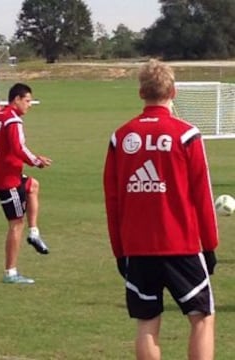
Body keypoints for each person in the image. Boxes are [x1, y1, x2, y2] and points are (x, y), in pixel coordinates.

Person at [103, 59, 218, 360]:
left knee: (147, 322)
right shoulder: (186, 135)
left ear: (141, 93)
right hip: (181, 245)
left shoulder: (120, 137)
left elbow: (112, 200)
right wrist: (210, 246)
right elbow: (202, 195)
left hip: (137, 247)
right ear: (174, 92)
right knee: (202, 318)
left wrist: (119, 251)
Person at [0, 82, 52, 284]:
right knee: (16, 224)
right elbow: (19, 147)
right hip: (6, 180)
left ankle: (34, 233)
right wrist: (36, 160)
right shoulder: (13, 120)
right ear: (16, 99)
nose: (29, 105)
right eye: (27, 100)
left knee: (32, 185)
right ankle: (10, 272)